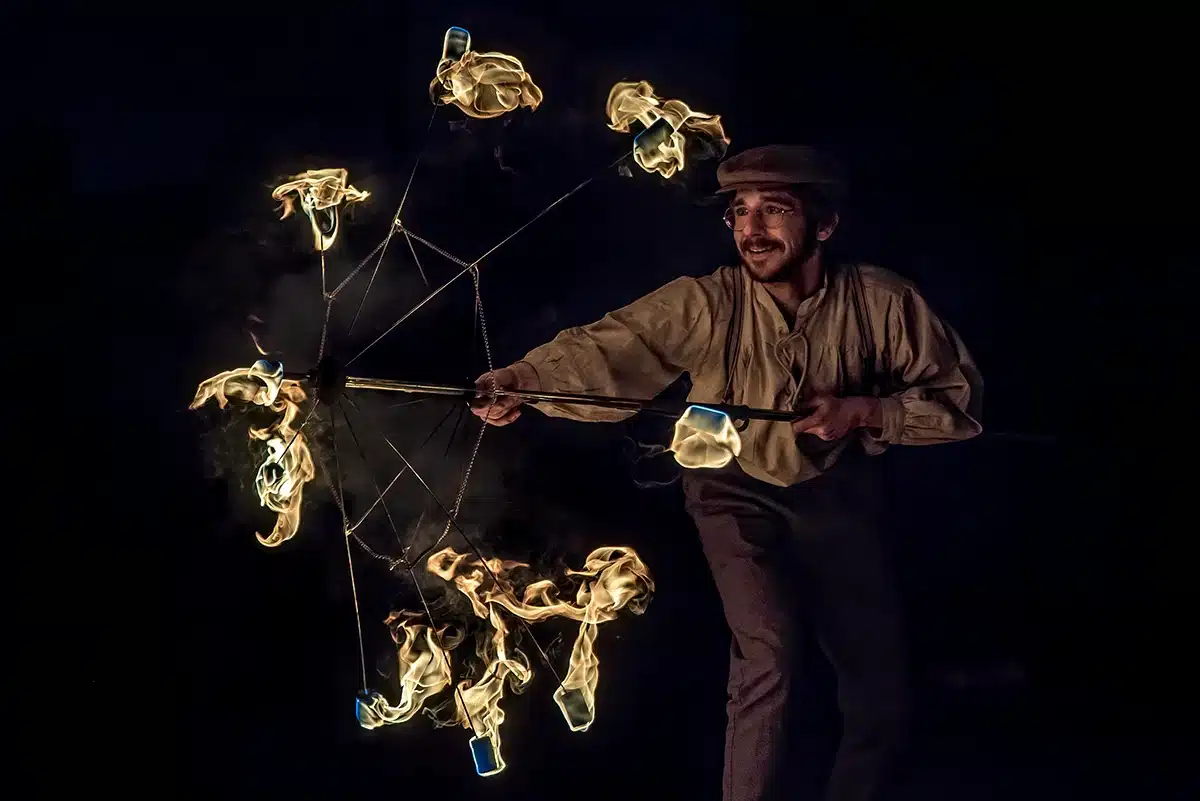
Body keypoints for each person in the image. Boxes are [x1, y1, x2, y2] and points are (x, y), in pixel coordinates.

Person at [470, 144, 983, 801]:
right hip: (730, 490)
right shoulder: (706, 302)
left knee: (878, 685)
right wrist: (522, 381)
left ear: (823, 226)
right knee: (767, 652)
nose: (751, 228)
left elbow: (958, 402)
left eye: (774, 210)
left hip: (837, 496)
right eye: (740, 212)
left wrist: (865, 410)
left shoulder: (884, 302)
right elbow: (609, 346)